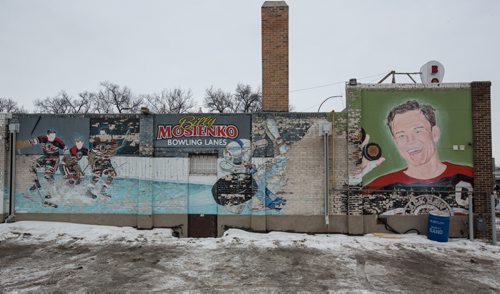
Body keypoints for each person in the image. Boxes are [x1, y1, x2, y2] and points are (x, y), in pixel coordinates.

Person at [363, 100, 473, 209]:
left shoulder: (469, 177)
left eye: (418, 131)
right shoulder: (379, 188)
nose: (410, 141)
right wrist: (353, 178)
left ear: (434, 133)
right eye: (401, 135)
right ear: (395, 141)